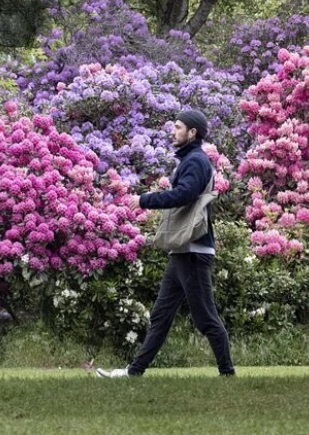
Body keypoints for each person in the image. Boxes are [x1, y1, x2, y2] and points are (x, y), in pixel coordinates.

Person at [96, 109, 235, 378]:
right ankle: (134, 372)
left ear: (192, 132)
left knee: (206, 319)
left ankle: (227, 374)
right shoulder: (191, 160)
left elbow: (184, 195)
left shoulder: (196, 161)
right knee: (161, 315)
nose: (173, 131)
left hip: (193, 250)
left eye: (178, 127)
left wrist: (145, 200)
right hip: (183, 250)